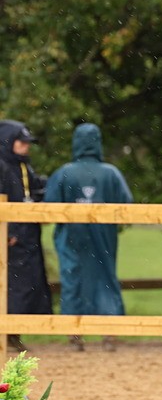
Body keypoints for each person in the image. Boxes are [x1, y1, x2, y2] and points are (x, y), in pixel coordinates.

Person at [44, 123, 133, 351]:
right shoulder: (111, 173)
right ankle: (109, 334)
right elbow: (127, 205)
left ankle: (74, 335)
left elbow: (48, 206)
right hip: (103, 239)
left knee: (73, 281)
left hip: (71, 239)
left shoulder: (64, 172)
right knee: (105, 280)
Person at [0, 121, 52, 352]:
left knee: (28, 284)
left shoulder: (23, 166)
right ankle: (8, 332)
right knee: (12, 285)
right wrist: (9, 231)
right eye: (21, 142)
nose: (26, 147)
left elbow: (32, 190)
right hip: (11, 237)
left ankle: (14, 332)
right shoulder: (2, 166)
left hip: (28, 235)